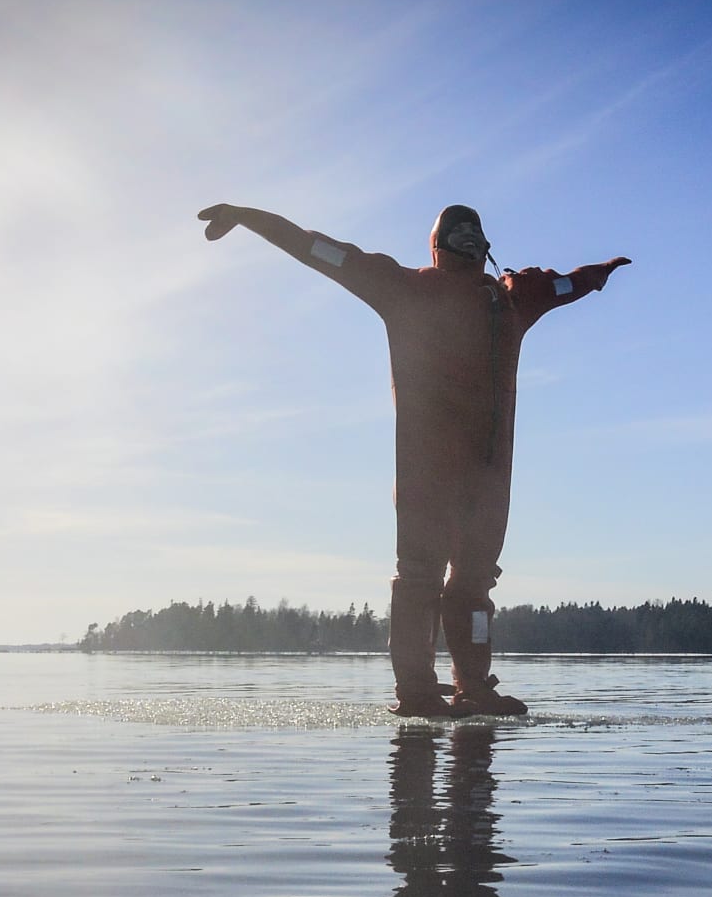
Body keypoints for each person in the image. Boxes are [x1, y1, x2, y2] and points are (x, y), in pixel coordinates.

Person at [198, 201, 630, 716]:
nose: (470, 235)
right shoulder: (405, 288)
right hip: (426, 470)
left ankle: (474, 686)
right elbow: (322, 250)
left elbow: (566, 285)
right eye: (458, 229)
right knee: (420, 577)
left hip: (488, 474)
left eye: (476, 228)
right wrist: (248, 216)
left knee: (474, 581)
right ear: (438, 241)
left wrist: (599, 273)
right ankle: (418, 691)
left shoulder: (510, 300)